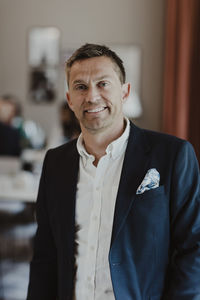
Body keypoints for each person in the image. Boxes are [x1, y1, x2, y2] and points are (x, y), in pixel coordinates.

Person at [27, 44, 200, 300]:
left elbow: (194, 248)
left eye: (103, 84)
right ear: (69, 100)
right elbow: (45, 254)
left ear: (125, 92)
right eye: (81, 87)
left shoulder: (173, 155)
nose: (92, 97)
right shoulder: (55, 162)